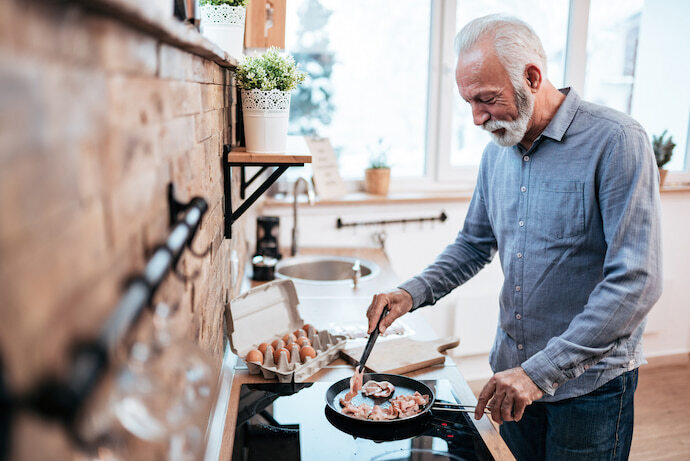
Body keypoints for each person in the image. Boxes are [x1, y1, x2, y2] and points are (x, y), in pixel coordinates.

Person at [366, 14, 662, 461]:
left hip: (590, 388)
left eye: (486, 99)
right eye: (469, 102)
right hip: (511, 376)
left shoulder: (617, 141)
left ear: (532, 76)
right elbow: (472, 245)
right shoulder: (497, 153)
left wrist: (538, 373)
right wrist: (410, 293)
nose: (477, 118)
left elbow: (636, 280)